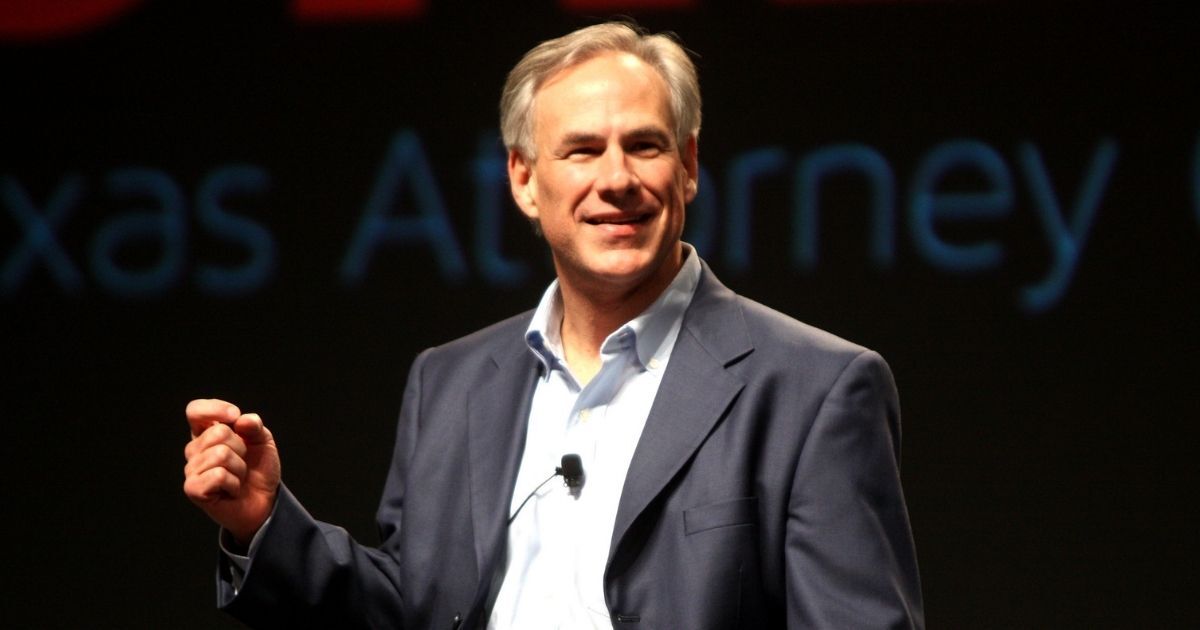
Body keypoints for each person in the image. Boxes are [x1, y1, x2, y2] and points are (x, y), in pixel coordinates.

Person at [183, 22, 924, 629]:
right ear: (524, 179)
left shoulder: (813, 387)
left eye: (645, 145)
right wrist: (267, 526)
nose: (617, 179)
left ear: (689, 165)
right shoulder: (449, 380)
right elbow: (412, 609)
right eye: (581, 151)